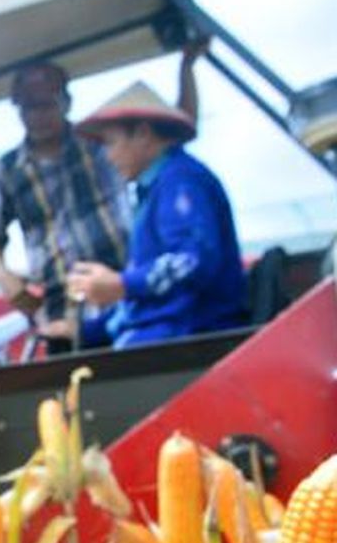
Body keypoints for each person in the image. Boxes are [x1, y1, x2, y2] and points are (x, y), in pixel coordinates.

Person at [65, 80, 246, 348]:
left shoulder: (180, 180)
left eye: (111, 142)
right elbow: (150, 294)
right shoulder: (159, 186)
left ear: (143, 134)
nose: (107, 156)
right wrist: (80, 331)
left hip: (184, 343)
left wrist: (120, 284)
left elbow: (191, 262)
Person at [0, 61, 131, 352]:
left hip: (120, 294)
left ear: (66, 103)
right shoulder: (8, 170)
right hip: (61, 312)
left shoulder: (100, 145)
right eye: (28, 107)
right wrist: (4, 278)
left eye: (45, 105)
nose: (36, 116)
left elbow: (165, 139)